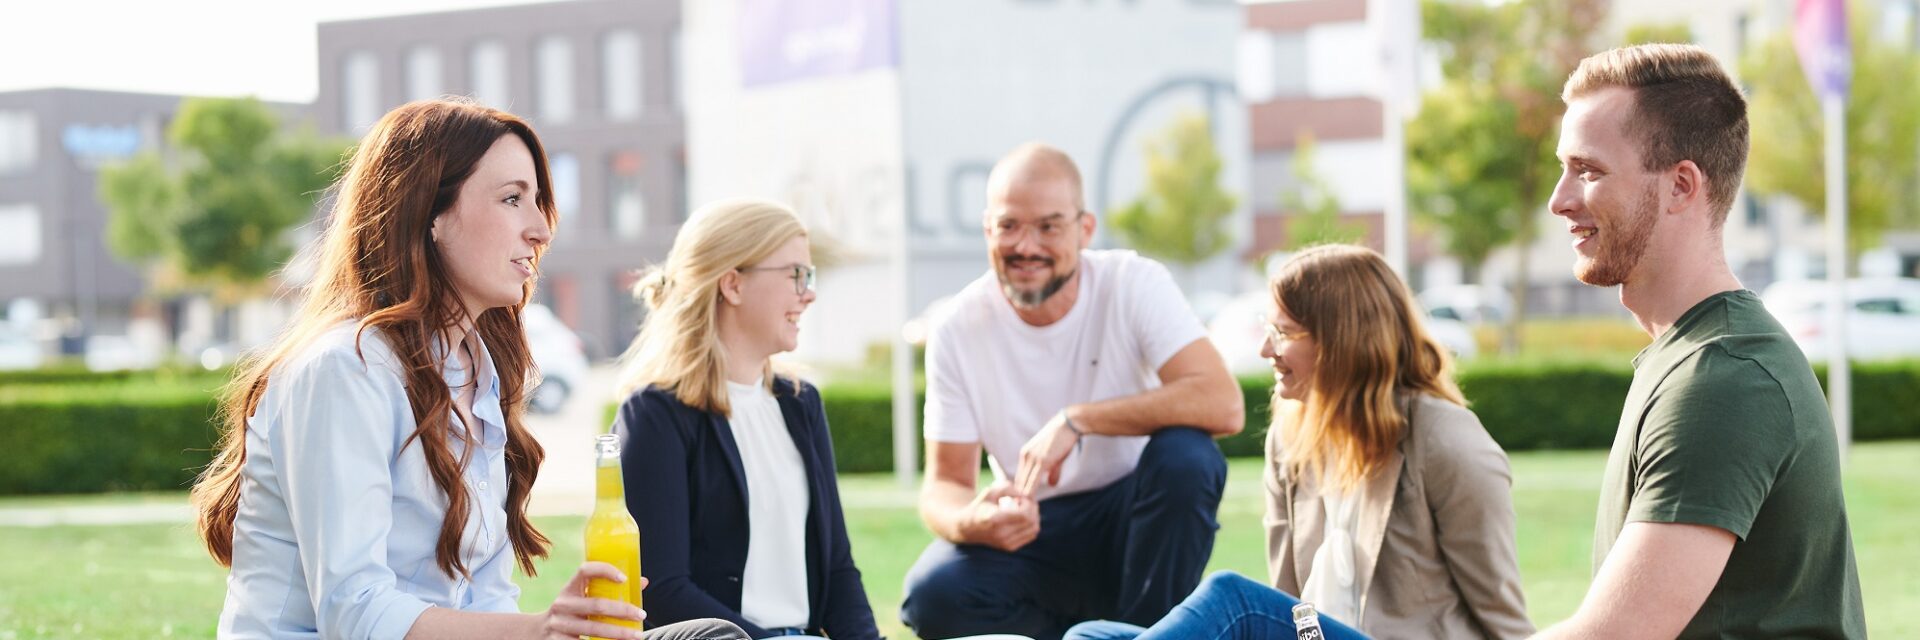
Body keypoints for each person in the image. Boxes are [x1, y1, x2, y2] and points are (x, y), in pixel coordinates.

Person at [188, 98, 747, 640]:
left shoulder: (477, 373)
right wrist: (539, 631)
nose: (541, 229)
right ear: (429, 214)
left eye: (537, 201)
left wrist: (556, 632)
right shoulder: (343, 370)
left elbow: (485, 598)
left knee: (710, 637)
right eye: (511, 199)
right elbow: (354, 613)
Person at [1533, 43, 1865, 638]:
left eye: (1588, 170)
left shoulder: (1722, 378)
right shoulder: (1692, 358)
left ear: (1681, 185)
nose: (1559, 199)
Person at [1065, 244, 1532, 640]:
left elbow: (1501, 615)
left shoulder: (1445, 438)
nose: (1266, 350)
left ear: (1342, 341)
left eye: (1283, 333)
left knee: (1233, 598)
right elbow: (1290, 604)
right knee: (1091, 635)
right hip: (1315, 637)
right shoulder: (1291, 437)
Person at [899, 143, 1245, 640]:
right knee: (932, 593)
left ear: (1085, 229)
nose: (1026, 245)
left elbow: (1222, 403)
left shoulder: (1134, 283)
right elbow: (945, 484)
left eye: (1049, 226)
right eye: (1009, 225)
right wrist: (970, 522)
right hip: (1037, 526)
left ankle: (1146, 636)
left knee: (1186, 457)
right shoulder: (958, 326)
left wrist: (1078, 419)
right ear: (987, 230)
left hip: (1140, 518)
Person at [611, 198, 881, 640]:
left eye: (808, 276)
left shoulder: (801, 403)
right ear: (733, 285)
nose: (808, 292)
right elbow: (663, 589)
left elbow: (838, 568)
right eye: (796, 274)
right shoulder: (654, 416)